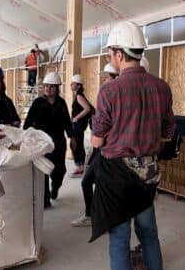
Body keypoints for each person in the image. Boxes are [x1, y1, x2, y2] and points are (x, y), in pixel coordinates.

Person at [90, 20, 175, 270]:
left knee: (119, 239)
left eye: (111, 52)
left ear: (118, 53)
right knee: (149, 234)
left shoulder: (110, 91)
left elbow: (97, 141)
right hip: (148, 174)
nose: (111, 58)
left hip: (117, 178)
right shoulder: (162, 88)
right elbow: (168, 133)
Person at [71, 64, 118, 228]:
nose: (103, 80)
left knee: (98, 184)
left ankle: (101, 218)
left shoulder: (114, 99)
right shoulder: (108, 96)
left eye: (106, 77)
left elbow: (99, 132)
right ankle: (92, 215)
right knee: (89, 182)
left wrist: (79, 120)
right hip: (102, 149)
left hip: (107, 150)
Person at [23, 72, 73, 209]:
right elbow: (27, 123)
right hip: (42, 144)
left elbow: (67, 122)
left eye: (51, 87)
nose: (47, 89)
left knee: (60, 170)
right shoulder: (38, 103)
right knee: (43, 172)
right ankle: (45, 200)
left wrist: (72, 137)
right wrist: (26, 136)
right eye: (46, 86)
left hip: (58, 143)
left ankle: (55, 187)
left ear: (57, 88)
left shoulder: (61, 103)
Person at [69, 74, 93, 177]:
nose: (71, 85)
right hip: (78, 125)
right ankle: (81, 167)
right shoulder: (79, 95)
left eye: (73, 84)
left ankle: (80, 167)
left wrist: (76, 117)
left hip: (78, 125)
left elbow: (87, 109)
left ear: (78, 85)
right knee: (78, 145)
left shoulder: (79, 96)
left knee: (75, 145)